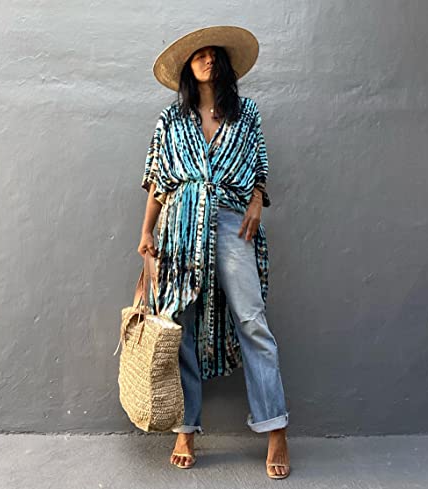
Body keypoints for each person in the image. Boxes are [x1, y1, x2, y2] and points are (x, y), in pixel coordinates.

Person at [136, 25, 291, 480]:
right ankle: (186, 428)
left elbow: (259, 165)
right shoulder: (171, 119)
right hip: (180, 224)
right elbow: (158, 181)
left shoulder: (247, 114)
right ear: (188, 67)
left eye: (212, 53)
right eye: (197, 54)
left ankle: (275, 426)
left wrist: (257, 200)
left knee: (252, 319)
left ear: (223, 64)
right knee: (181, 325)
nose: (206, 59)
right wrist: (146, 232)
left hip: (230, 219)